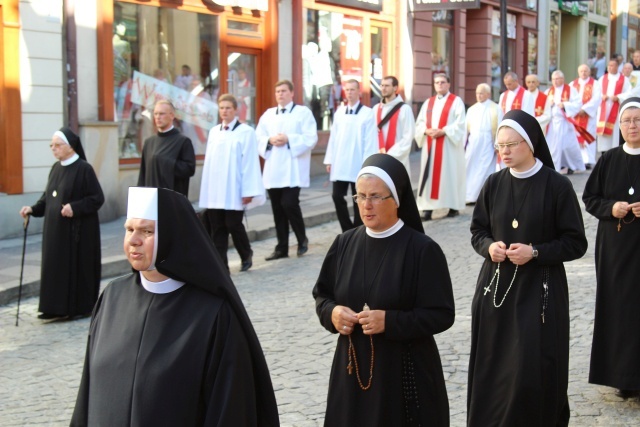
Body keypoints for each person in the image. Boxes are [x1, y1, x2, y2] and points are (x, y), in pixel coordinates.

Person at [70, 187, 279, 426]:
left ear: (172, 235)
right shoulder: (111, 298)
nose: (133, 240)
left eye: (146, 231)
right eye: (129, 229)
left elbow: (228, 409)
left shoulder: (212, 314)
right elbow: (88, 390)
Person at [313, 153, 455, 426]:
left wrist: (389, 321)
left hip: (403, 374)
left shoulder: (422, 250)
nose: (366, 205)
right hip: (351, 372)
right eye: (360, 196)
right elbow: (322, 295)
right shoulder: (344, 244)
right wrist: (332, 313)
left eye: (376, 196)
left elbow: (441, 314)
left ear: (397, 199)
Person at [467, 110, 588, 426]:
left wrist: (535, 251)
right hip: (497, 292)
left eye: (511, 144)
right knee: (494, 367)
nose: (504, 152)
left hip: (540, 293)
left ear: (531, 143)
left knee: (531, 368)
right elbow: (477, 231)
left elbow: (576, 243)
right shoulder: (493, 184)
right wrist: (489, 247)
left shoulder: (556, 186)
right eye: (499, 146)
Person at [583, 97, 640, 400]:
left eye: (638, 119)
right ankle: (622, 377)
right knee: (619, 308)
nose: (632, 125)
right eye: (627, 120)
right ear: (619, 126)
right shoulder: (608, 159)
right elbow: (590, 198)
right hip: (615, 247)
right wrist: (612, 207)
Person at [19, 128, 104, 320]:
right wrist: (32, 209)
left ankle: (76, 307)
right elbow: (47, 198)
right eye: (52, 145)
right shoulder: (55, 168)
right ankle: (53, 307)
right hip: (55, 232)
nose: (53, 149)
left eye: (58, 145)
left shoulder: (84, 169)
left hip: (77, 233)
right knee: (55, 267)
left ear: (71, 147)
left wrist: (75, 207)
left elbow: (97, 198)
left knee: (73, 269)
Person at [199, 94, 264, 272]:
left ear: (235, 110)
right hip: (215, 189)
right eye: (221, 108)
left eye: (228, 108)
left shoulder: (246, 132)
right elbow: (210, 163)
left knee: (233, 224)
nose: (224, 111)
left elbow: (250, 162)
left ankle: (246, 253)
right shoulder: (214, 132)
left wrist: (248, 190)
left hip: (234, 187)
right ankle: (221, 265)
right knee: (217, 227)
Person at [256, 79, 317, 260]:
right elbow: (258, 136)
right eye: (277, 92)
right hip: (274, 167)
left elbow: (310, 137)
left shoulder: (303, 113)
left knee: (289, 204)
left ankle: (302, 239)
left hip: (293, 168)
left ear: (291, 93)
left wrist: (289, 138)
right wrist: (269, 140)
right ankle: (281, 247)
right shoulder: (268, 115)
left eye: (283, 91)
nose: (280, 94)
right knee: (277, 208)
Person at [324, 79, 378, 232]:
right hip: (340, 163)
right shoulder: (339, 112)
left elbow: (370, 141)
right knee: (337, 196)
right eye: (347, 90)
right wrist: (329, 160)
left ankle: (358, 229)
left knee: (359, 199)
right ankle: (347, 229)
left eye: (353, 89)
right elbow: (333, 138)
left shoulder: (367, 113)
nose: (349, 92)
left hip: (358, 164)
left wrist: (367, 165)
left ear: (359, 92)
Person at [414, 73, 466, 220]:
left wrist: (444, 131)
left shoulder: (456, 102)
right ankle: (428, 208)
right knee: (429, 176)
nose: (440, 85)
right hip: (431, 145)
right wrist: (425, 130)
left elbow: (461, 124)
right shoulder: (428, 103)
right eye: (437, 82)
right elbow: (419, 123)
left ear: (448, 84)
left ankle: (453, 206)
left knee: (449, 175)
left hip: (448, 146)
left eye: (443, 82)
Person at [137, 100, 196, 197]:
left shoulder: (183, 141)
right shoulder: (149, 142)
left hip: (172, 199)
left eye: (161, 114)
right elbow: (143, 174)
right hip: (151, 198)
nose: (157, 117)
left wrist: (165, 162)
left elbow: (189, 169)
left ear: (172, 116)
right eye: (155, 114)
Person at [464, 83, 502, 204]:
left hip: (488, 142)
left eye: (481, 93)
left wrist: (498, 144)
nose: (479, 95)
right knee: (470, 167)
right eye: (477, 93)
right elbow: (465, 129)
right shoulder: (471, 109)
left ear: (488, 94)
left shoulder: (496, 108)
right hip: (473, 142)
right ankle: (469, 195)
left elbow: (500, 127)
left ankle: (481, 195)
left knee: (485, 169)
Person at [544, 70, 585, 173]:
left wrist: (565, 105)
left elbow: (578, 104)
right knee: (553, 147)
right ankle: (555, 167)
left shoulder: (571, 90)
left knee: (568, 146)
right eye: (553, 79)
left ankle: (572, 166)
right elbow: (543, 106)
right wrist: (550, 104)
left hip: (565, 122)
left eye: (557, 79)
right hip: (553, 124)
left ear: (563, 79)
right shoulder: (548, 91)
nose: (555, 81)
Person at [372, 76, 415, 174]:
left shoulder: (405, 109)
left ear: (395, 88)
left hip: (397, 159)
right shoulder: (375, 109)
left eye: (387, 85)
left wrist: (390, 155)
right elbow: (371, 134)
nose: (383, 88)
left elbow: (408, 136)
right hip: (378, 160)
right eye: (382, 85)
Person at [596, 58, 631, 152]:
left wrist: (618, 97)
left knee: (615, 133)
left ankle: (615, 151)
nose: (610, 67)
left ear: (617, 67)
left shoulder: (624, 80)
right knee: (603, 135)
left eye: (613, 65)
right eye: (609, 65)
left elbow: (629, 93)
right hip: (604, 110)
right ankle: (604, 152)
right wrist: (601, 96)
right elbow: (596, 93)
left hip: (616, 110)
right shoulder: (602, 79)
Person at [572, 64, 603, 169]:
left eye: (585, 71)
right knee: (575, 137)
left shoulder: (595, 84)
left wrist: (585, 109)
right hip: (576, 116)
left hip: (588, 116)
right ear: (578, 72)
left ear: (589, 72)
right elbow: (569, 99)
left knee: (588, 136)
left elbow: (597, 98)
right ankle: (577, 160)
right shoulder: (573, 84)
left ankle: (588, 160)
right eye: (581, 71)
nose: (583, 73)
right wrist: (576, 109)